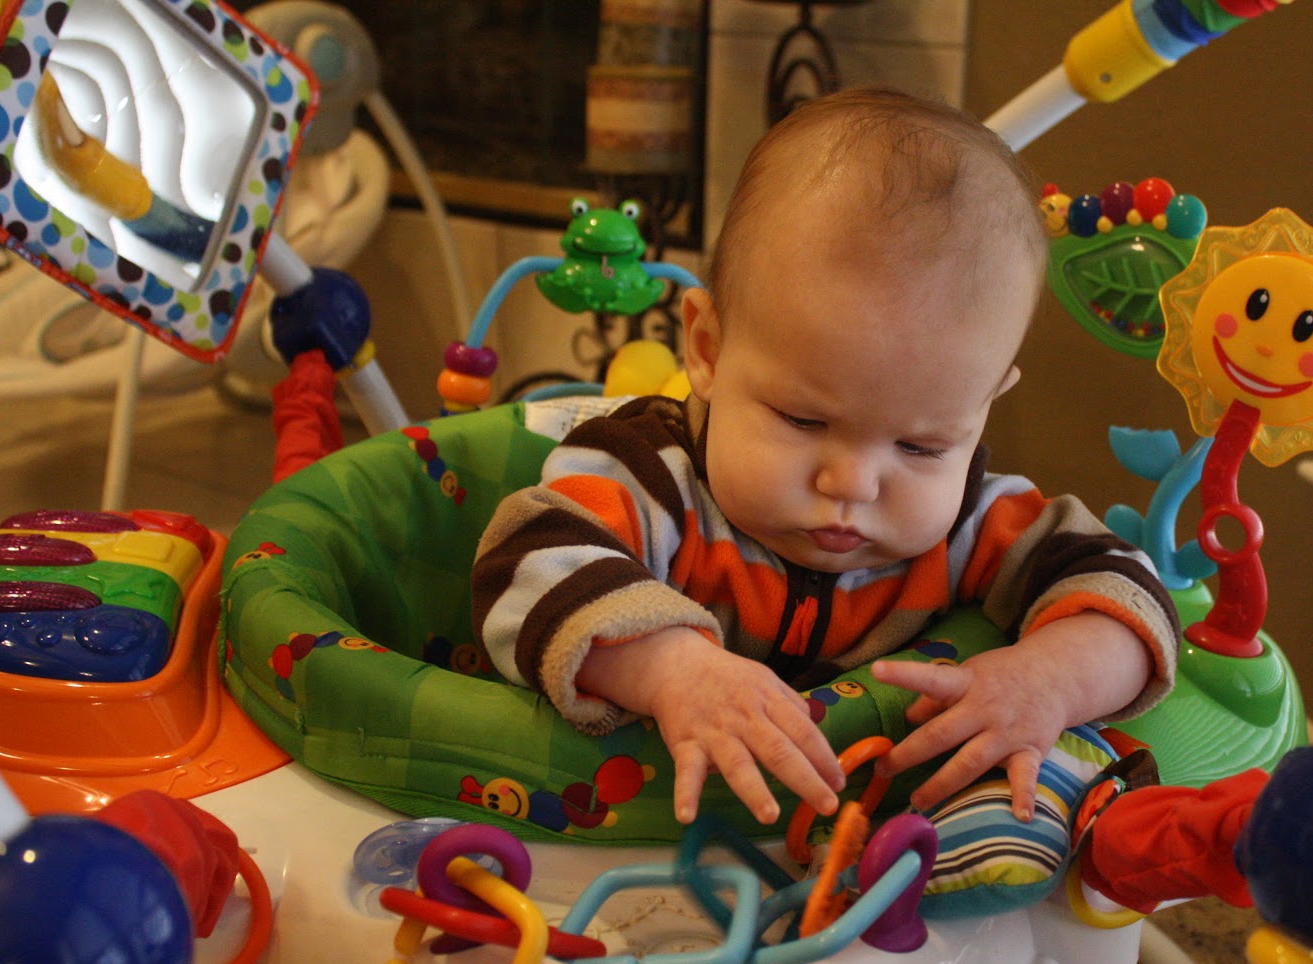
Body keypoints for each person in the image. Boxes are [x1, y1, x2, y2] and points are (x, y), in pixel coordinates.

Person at [473, 87, 1179, 828]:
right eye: (802, 419)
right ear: (708, 349)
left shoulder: (976, 521)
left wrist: (1047, 681)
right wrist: (669, 666)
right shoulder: (649, 473)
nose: (852, 483)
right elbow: (523, 565)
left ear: (983, 406)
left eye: (921, 445)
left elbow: (1129, 592)